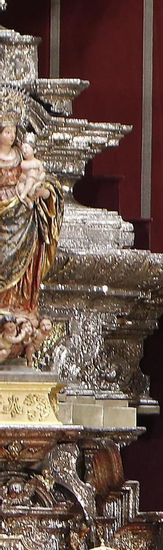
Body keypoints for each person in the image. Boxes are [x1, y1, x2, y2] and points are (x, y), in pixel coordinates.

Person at [0, 85, 62, 363]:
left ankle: (16, 305)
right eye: (6, 130)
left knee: (20, 263)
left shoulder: (23, 157)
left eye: (13, 131)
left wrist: (43, 193)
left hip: (22, 221)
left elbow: (46, 183)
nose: (10, 135)